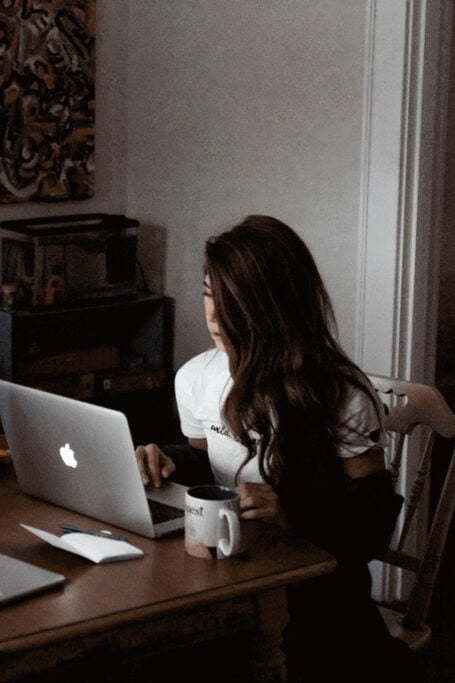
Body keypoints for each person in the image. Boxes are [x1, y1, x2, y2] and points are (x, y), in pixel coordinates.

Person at [135, 216, 421, 681]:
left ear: (275, 305)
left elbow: (372, 523)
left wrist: (291, 512)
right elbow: (204, 463)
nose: (213, 315)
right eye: (209, 294)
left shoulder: (341, 394)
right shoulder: (196, 378)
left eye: (231, 301)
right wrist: (165, 460)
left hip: (315, 594)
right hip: (227, 576)